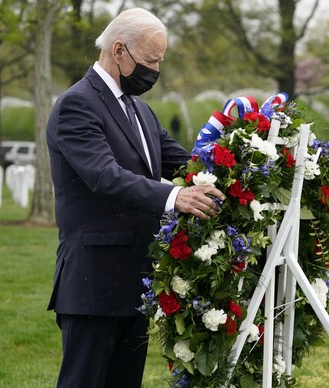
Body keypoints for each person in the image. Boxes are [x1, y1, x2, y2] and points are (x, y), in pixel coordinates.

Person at [46, 8, 225, 388]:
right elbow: (104, 176)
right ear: (118, 50)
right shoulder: (76, 105)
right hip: (93, 281)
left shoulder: (140, 111)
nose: (156, 70)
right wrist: (176, 196)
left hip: (135, 282)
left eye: (160, 60)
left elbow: (185, 163)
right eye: (150, 60)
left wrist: (244, 158)